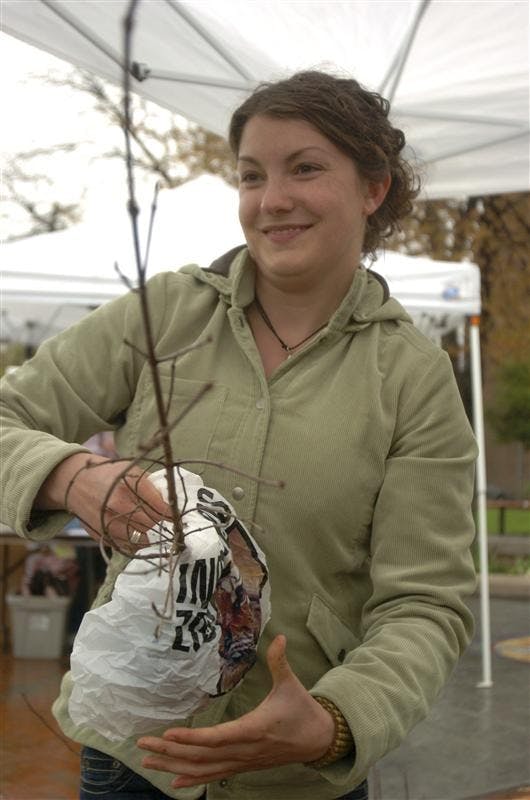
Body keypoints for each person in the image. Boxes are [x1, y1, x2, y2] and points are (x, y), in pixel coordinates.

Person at [0, 70, 478, 800]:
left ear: (372, 188)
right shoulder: (163, 316)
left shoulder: (412, 377)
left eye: (306, 168)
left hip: (295, 775)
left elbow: (426, 603)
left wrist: (335, 721)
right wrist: (72, 476)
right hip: (133, 754)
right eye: (252, 176)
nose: (272, 200)